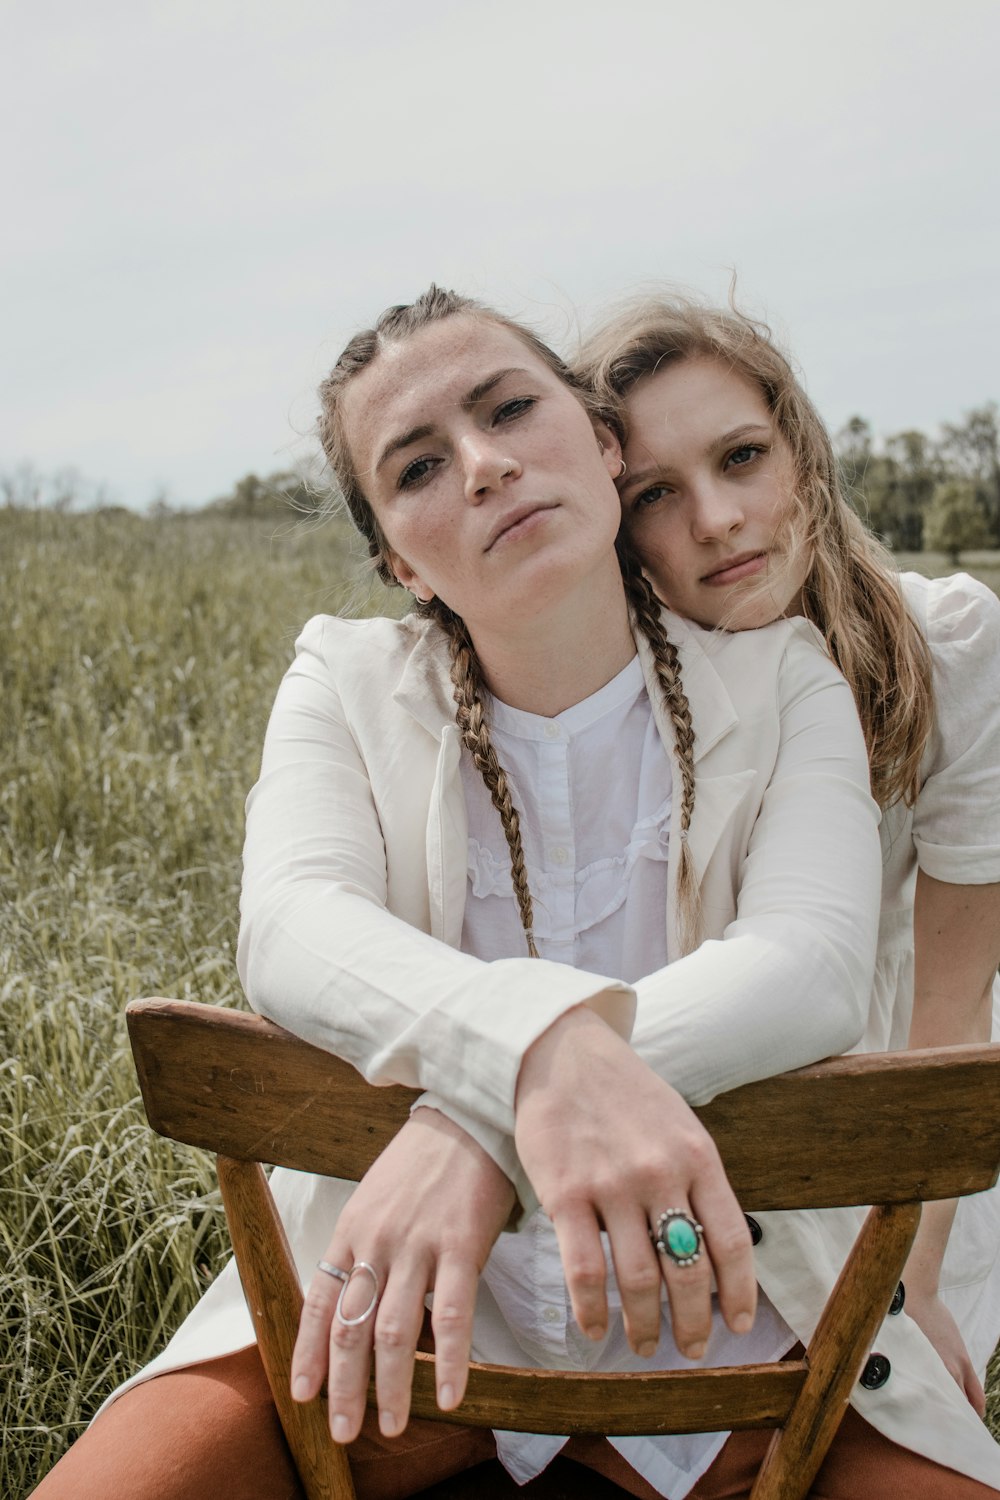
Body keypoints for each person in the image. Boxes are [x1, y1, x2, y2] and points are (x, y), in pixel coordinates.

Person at [31, 288, 997, 1500]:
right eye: (419, 465)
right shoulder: (342, 679)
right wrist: (541, 1063)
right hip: (395, 1317)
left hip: (747, 1314)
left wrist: (479, 1114)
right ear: (396, 556)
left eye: (507, 411)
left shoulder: (786, 677)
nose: (484, 469)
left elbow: (809, 966)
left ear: (598, 445)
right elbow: (288, 927)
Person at [576, 290, 1000, 1421]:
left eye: (741, 456)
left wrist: (906, 1283)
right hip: (677, 1084)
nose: (715, 518)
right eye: (653, 496)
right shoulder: (614, 693)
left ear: (801, 455)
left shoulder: (950, 646)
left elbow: (948, 1026)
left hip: (893, 1110)